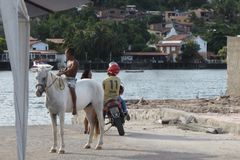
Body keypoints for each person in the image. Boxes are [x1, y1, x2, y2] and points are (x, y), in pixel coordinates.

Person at [57, 48, 79, 115]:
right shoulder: (68, 61)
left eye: (66, 53)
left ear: (70, 54)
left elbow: (71, 70)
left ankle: (74, 107)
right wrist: (61, 71)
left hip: (71, 79)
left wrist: (63, 72)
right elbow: (66, 69)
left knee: (72, 89)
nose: (65, 55)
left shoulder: (75, 62)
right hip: (65, 78)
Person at [80, 69, 93, 134]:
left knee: (87, 115)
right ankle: (89, 130)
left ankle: (86, 129)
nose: (91, 75)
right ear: (87, 75)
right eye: (90, 74)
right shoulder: (89, 82)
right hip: (88, 100)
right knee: (90, 115)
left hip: (83, 100)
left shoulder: (81, 81)